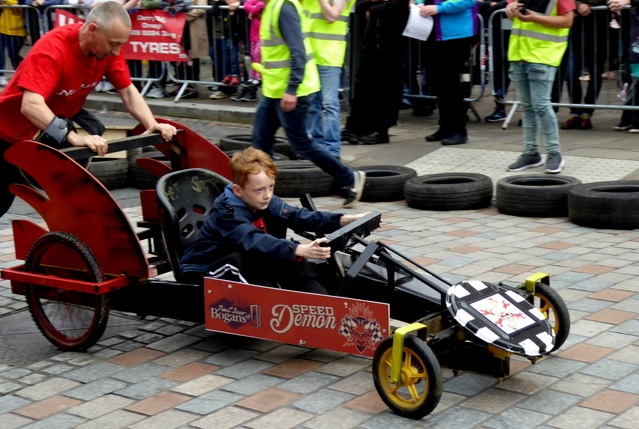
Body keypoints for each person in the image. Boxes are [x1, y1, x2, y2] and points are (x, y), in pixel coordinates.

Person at [0, 1, 177, 218]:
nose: (117, 51)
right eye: (113, 43)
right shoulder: (52, 49)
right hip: (6, 134)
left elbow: (128, 91)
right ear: (93, 30)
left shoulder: (108, 52)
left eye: (121, 44)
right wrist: (74, 137)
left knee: (69, 195)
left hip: (43, 135)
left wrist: (151, 124)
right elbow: (31, 105)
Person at [179, 147, 372, 292]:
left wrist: (344, 220)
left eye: (270, 187)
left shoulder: (264, 200)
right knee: (250, 259)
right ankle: (270, 306)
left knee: (293, 259)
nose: (267, 195)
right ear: (238, 190)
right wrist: (298, 249)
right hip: (203, 269)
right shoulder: (228, 212)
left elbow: (298, 216)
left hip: (244, 258)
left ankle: (325, 309)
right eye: (259, 190)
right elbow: (252, 239)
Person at [250, 0, 366, 208]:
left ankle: (349, 177)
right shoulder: (272, 7)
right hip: (273, 90)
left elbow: (298, 52)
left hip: (293, 90)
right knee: (260, 142)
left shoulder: (283, 7)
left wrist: (292, 89)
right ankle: (259, 193)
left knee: (301, 144)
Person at [505, 0, 575, 174]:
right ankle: (531, 153)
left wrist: (535, 18)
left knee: (541, 106)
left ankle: (554, 153)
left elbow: (567, 20)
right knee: (528, 107)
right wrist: (510, 9)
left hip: (543, 55)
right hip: (519, 54)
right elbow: (511, 13)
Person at [341, 0, 409, 145]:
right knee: (363, 87)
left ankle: (381, 130)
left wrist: (373, 8)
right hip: (371, 45)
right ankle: (354, 127)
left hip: (391, 47)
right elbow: (360, 6)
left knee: (386, 89)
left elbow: (396, 7)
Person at [419, 0, 478, 146]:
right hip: (434, 34)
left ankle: (459, 130)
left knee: (452, 85)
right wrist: (420, 3)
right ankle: (445, 127)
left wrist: (439, 8)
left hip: (455, 35)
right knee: (440, 84)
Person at [302, 0, 356, 156]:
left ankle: (333, 150)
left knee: (330, 104)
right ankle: (316, 147)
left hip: (330, 56)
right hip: (310, 54)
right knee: (312, 103)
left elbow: (332, 16)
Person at [558, 0, 609, 130]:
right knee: (571, 73)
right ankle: (575, 111)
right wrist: (578, 4)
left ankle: (587, 112)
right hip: (575, 30)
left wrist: (588, 3)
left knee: (595, 73)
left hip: (599, 29)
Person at [232, 0, 263, 102]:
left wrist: (253, 11)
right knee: (253, 59)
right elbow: (246, 4)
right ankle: (251, 86)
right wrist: (254, 11)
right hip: (253, 34)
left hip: (263, 35)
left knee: (258, 59)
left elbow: (260, 7)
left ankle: (254, 86)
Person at [0, 0, 28, 87]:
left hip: (18, 31)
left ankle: (22, 73)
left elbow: (21, 6)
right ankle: (1, 75)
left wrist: (6, 1)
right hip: (2, 28)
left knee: (13, 54)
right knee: (0, 53)